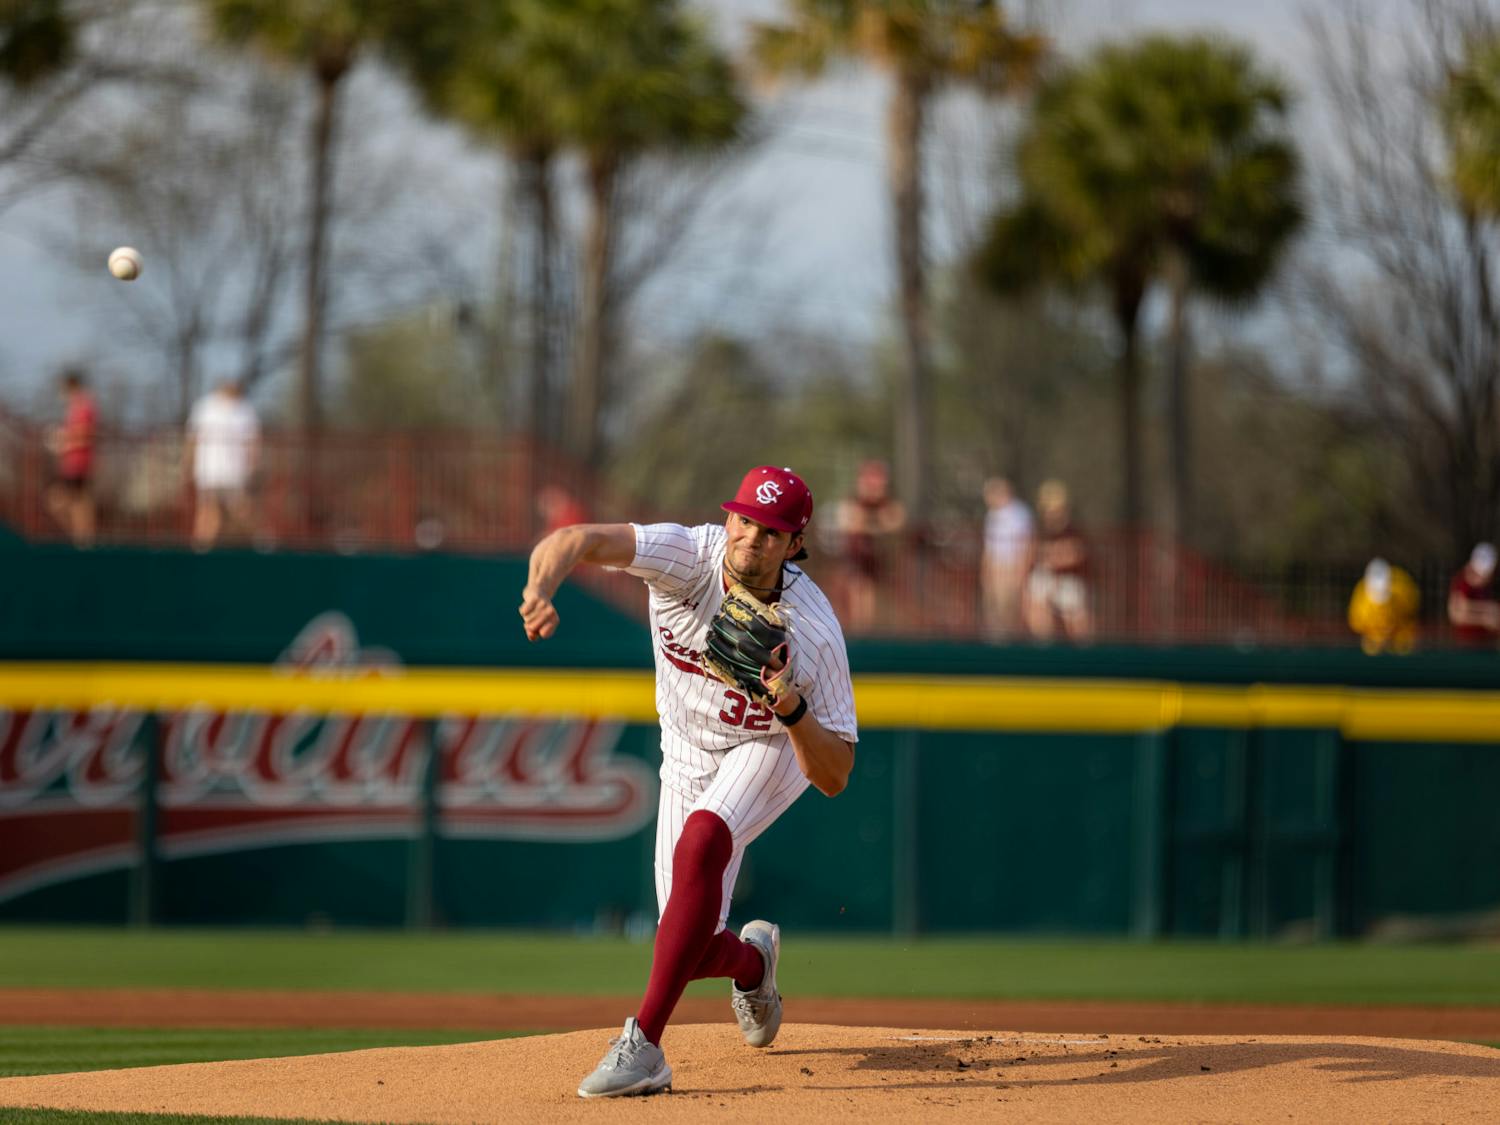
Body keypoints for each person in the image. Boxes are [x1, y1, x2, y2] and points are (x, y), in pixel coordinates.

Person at [519, 465, 857, 1099]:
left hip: (767, 744)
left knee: (703, 840)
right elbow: (576, 539)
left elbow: (836, 774)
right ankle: (754, 965)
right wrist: (542, 587)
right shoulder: (687, 556)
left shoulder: (812, 629)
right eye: (745, 521)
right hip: (685, 754)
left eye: (771, 533)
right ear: (728, 517)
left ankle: (644, 1045)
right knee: (688, 942)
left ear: (794, 545)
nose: (751, 540)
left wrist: (788, 708)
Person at [185, 379, 260, 550]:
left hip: (234, 473)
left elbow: (253, 442)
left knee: (241, 510)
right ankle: (202, 547)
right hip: (209, 472)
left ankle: (257, 543)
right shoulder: (205, 407)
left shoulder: (244, 410)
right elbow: (193, 439)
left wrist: (251, 467)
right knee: (209, 511)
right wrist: (189, 462)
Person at [835, 459, 906, 633]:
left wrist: (872, 525)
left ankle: (876, 632)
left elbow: (896, 521)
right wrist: (876, 525)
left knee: (883, 602)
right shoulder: (853, 503)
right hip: (858, 564)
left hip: (884, 566)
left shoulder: (888, 505)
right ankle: (863, 631)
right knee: (860, 595)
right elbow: (849, 521)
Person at [1024, 479, 1092, 641]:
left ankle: (1085, 650)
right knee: (1035, 594)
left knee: (1074, 611)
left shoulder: (1073, 531)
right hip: (1049, 578)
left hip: (1071, 579)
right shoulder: (1041, 531)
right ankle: (1044, 645)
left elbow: (1074, 555)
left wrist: (1052, 557)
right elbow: (1033, 554)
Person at [44, 368, 97, 548]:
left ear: (70, 385)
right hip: (73, 463)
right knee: (78, 505)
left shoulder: (83, 406)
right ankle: (82, 543)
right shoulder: (77, 406)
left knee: (57, 501)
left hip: (78, 463)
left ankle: (83, 542)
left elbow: (85, 436)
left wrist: (62, 441)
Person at [980, 476, 1034, 640]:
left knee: (1009, 610)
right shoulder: (991, 515)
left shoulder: (1020, 513)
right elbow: (989, 547)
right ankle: (995, 644)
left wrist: (1021, 571)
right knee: (992, 609)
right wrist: (985, 571)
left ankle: (1009, 647)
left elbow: (1028, 544)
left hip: (1012, 567)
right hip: (996, 567)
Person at [1348, 557, 1419, 654]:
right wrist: (1378, 636)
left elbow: (1411, 612)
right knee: (1370, 649)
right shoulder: (1361, 598)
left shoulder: (1403, 589)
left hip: (1401, 635)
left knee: (1404, 648)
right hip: (1374, 638)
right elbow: (1357, 624)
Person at [1447, 542, 1500, 649]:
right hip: (1467, 645)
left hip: (1485, 644)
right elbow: (1456, 615)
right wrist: (1484, 617)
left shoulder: (1487, 585)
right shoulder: (1461, 583)